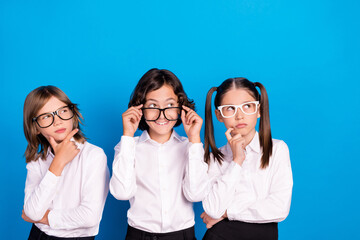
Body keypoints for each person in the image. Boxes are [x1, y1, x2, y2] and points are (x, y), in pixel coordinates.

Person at [109, 68, 208, 240]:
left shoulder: (191, 147)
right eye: (153, 105)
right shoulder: (128, 146)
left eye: (170, 105)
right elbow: (121, 193)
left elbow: (196, 194)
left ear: (180, 108)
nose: (162, 114)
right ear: (141, 109)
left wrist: (194, 140)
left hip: (182, 234)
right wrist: (127, 136)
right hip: (139, 235)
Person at [201, 78, 293, 240]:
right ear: (219, 115)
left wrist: (227, 213)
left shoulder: (277, 149)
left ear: (258, 110)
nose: (239, 115)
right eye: (230, 109)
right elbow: (213, 209)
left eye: (247, 106)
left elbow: (279, 207)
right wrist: (237, 160)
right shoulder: (215, 158)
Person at [22, 86, 109, 239]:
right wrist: (58, 163)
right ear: (35, 127)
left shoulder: (93, 156)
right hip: (38, 235)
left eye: (63, 111)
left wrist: (44, 218)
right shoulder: (37, 161)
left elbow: (89, 217)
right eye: (46, 116)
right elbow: (31, 212)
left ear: (73, 114)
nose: (57, 121)